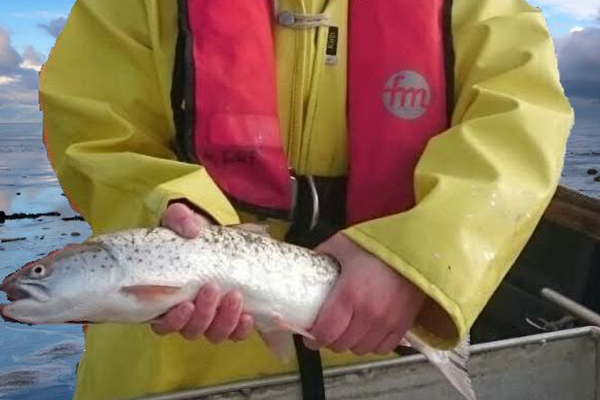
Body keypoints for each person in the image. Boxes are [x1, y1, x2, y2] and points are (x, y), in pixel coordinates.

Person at [39, 0, 573, 399]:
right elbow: (93, 132)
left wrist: (416, 260)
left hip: (382, 362)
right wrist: (168, 210)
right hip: (164, 372)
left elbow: (522, 124)